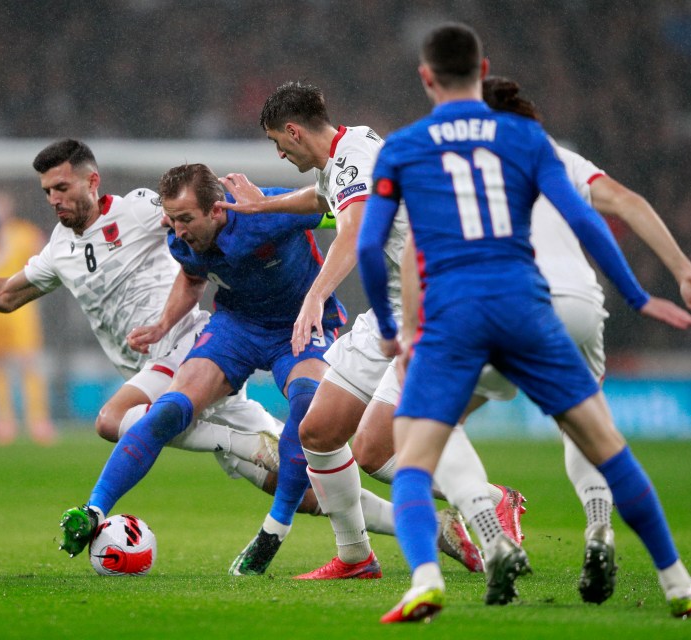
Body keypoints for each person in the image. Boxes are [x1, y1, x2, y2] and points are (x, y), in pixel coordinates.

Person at [357, 23, 691, 622]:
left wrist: (395, 330)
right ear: (483, 67)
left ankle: (424, 580)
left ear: (425, 77)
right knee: (608, 448)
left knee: (415, 455)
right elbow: (584, 218)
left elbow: (373, 249)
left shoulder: (404, 148)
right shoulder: (525, 138)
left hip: (453, 318)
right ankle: (678, 582)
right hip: (527, 308)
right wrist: (636, 295)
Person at [217, 81, 527, 579]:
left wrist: (315, 295)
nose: (278, 151)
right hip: (392, 312)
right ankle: (355, 558)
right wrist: (262, 206)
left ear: (294, 131)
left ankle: (490, 500)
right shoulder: (344, 155)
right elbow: (321, 201)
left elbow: (355, 229)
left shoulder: (356, 159)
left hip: (432, 311)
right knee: (317, 431)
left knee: (372, 448)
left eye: (277, 140)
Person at [0, 139, 283, 514]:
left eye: (62, 188)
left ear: (92, 181)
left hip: (188, 348)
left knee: (110, 420)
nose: (54, 199)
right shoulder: (58, 250)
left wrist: (261, 209)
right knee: (295, 480)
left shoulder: (139, 208)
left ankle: (241, 444)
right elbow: (3, 296)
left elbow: (200, 213)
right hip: (152, 373)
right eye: (47, 191)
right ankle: (343, 512)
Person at [55, 162, 347, 568]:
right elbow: (193, 279)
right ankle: (93, 510)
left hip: (297, 323)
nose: (178, 231)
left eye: (186, 219)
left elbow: (343, 207)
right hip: (237, 327)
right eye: (172, 220)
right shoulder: (182, 239)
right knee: (169, 408)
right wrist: (162, 324)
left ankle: (273, 531)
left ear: (217, 210)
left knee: (305, 406)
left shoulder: (264, 210)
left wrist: (323, 290)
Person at [0, 190, 56, 445]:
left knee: (28, 362)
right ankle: (4, 421)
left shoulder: (25, 233)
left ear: (9, 208)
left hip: (21, 308)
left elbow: (43, 258)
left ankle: (38, 420)